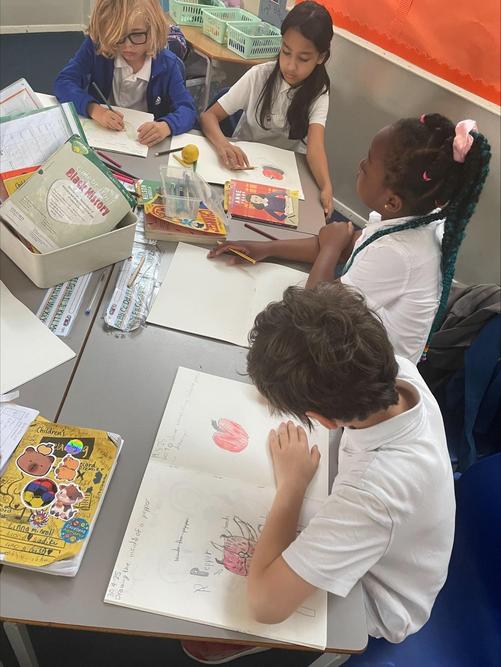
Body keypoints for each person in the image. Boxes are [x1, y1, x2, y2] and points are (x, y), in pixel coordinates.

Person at [182, 282, 456, 664]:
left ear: (322, 420)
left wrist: (292, 486)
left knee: (241, 604)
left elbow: (266, 604)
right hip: (390, 538)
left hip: (376, 600)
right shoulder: (400, 373)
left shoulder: (374, 493)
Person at [210, 114, 491, 364]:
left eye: (368, 164)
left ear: (392, 201)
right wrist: (266, 248)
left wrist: (330, 249)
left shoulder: (399, 252)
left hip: (370, 376)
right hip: (360, 343)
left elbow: (315, 314)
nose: (361, 164)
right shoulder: (418, 218)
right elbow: (348, 244)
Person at [200, 1, 335, 216]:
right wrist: (223, 144)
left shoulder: (319, 93)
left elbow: (315, 148)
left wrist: (327, 186)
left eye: (303, 58)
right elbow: (209, 117)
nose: (290, 66)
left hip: (285, 175)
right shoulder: (259, 76)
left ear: (321, 57)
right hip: (244, 165)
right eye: (286, 52)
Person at [54, 0, 196, 147]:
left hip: (144, 143)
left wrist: (166, 126)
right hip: (102, 134)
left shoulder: (168, 65)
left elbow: (188, 110)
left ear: (153, 30)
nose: (128, 45)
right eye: (118, 35)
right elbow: (64, 82)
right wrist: (94, 109)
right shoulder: (98, 48)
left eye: (137, 35)